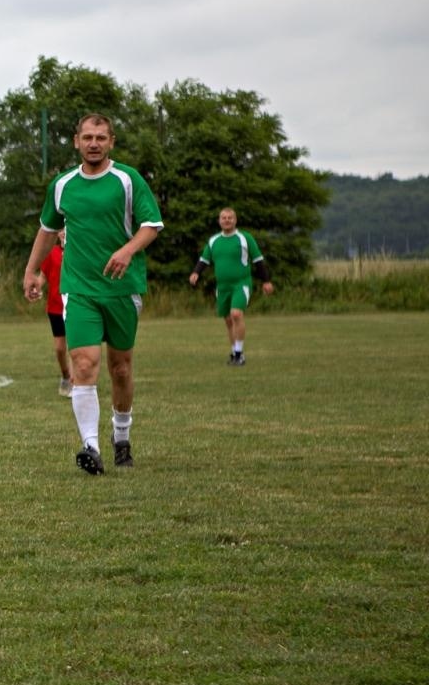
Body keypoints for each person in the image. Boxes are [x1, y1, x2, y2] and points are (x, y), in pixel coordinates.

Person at [22, 114, 163, 475]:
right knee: (83, 364)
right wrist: (32, 270)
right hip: (78, 289)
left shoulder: (127, 180)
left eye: (101, 137)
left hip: (122, 289)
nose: (94, 143)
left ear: (111, 141)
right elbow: (47, 229)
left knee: (120, 368)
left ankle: (121, 437)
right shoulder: (63, 184)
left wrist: (128, 250)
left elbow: (152, 225)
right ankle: (90, 447)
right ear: (76, 141)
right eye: (87, 137)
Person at [189, 207, 273, 366]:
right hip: (222, 287)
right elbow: (204, 260)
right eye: (223, 218)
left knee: (236, 314)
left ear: (235, 220)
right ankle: (235, 352)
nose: (227, 220)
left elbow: (258, 261)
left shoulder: (245, 238)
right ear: (219, 221)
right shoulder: (214, 241)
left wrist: (266, 281)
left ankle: (240, 354)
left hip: (241, 284)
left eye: (230, 218)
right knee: (228, 320)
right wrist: (195, 273)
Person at [33, 228, 74, 396]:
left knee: (75, 347)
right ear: (57, 234)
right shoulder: (52, 253)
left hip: (75, 306)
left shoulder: (78, 253)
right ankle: (65, 375)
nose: (64, 232)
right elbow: (42, 277)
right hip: (55, 308)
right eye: (61, 230)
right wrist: (36, 288)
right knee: (59, 348)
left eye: (67, 229)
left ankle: (76, 383)